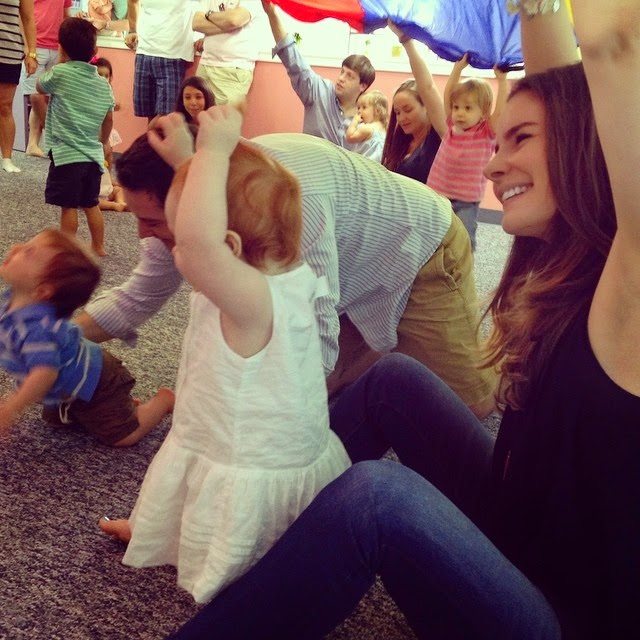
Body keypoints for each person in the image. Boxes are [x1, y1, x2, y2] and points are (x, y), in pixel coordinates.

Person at [162, 1, 640, 639]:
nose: (493, 165)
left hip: (561, 620)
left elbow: (614, 50)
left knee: (379, 499)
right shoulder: (572, 259)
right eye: (499, 141)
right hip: (518, 524)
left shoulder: (629, 297)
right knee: (393, 379)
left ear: (591, 150)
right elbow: (564, 88)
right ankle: (269, 531)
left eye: (520, 140)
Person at [99, 106, 350, 603]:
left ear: (226, 245)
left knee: (248, 564)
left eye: (177, 231)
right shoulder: (276, 276)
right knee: (193, 464)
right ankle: (159, 529)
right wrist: (188, 160)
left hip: (249, 452)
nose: (173, 248)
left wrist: (214, 152)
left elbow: (197, 244)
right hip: (226, 428)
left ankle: (242, 592)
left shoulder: (250, 300)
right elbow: (206, 224)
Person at [75, 124, 495, 418]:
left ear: (195, 199)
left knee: (471, 406)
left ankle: (508, 349)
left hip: (420, 245)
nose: (140, 233)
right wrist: (56, 336)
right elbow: (138, 296)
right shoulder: (192, 203)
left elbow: (317, 335)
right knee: (314, 390)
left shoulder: (288, 200)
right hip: (347, 268)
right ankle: (381, 345)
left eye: (151, 221)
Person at [0, 228, 174, 445]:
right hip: (70, 386)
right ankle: (119, 407)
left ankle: (163, 400)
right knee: (56, 420)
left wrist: (10, 409)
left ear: (42, 291)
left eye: (28, 252)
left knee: (121, 437)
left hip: (101, 382)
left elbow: (44, 375)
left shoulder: (39, 331)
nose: (15, 247)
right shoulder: (12, 300)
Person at [261, 1, 380, 160]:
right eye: (342, 72)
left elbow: (371, 163)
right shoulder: (319, 91)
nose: (341, 79)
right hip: (309, 167)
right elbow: (291, 55)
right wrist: (271, 13)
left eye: (349, 76)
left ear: (363, 86)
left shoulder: (367, 120)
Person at [37, 17, 113, 256]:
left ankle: (67, 250)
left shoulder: (60, 73)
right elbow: (108, 119)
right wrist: (103, 141)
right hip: (92, 155)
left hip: (66, 155)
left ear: (61, 48)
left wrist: (59, 62)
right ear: (95, 51)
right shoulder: (103, 84)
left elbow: (39, 87)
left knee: (68, 206)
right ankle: (98, 246)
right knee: (91, 204)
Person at [427, 55, 508, 251]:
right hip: (438, 194)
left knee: (464, 239)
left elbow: (500, 111)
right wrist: (457, 69)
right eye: (457, 107)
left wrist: (502, 81)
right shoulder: (451, 126)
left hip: (466, 200)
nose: (460, 113)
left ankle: (464, 267)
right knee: (433, 236)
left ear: (483, 112)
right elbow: (448, 95)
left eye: (468, 108)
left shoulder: (486, 132)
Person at [381, 22, 447, 182]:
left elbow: (428, 87)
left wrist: (406, 41)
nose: (401, 118)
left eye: (408, 110)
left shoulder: (438, 138)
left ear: (427, 107)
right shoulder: (401, 144)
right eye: (397, 113)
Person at [125, 0, 198, 121]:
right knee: (149, 114)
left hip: (173, 56)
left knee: (167, 116)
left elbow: (206, 7)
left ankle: (151, 134)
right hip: (144, 53)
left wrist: (204, 37)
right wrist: (132, 30)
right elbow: (132, 2)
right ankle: (149, 135)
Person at [19, 0, 72, 158]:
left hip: (57, 47)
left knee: (47, 98)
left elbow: (65, 14)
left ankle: (32, 144)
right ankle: (54, 137)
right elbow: (22, 15)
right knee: (35, 96)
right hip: (36, 46)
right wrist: (27, 47)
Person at [192, 0, 261, 106]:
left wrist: (209, 14)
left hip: (232, 69)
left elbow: (234, 20)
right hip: (205, 65)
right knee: (199, 114)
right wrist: (227, 24)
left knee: (224, 116)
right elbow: (196, 23)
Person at [0, 0, 37, 173]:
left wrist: (32, 54)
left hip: (10, 50)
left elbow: (28, 19)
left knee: (5, 106)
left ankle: (7, 159)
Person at [345, 89, 388, 161]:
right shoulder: (384, 130)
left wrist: (354, 121)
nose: (359, 111)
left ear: (377, 111)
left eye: (364, 107)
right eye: (358, 108)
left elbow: (350, 137)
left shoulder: (367, 128)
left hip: (363, 163)